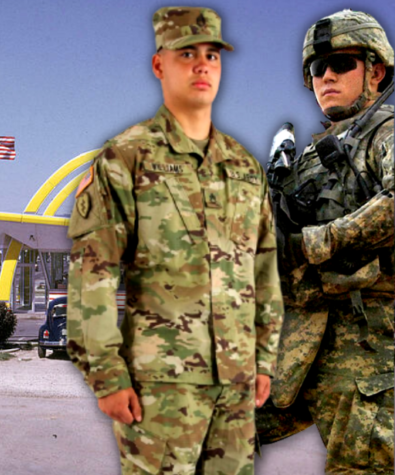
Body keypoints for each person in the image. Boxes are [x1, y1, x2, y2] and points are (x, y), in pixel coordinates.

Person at [66, 6, 283, 474]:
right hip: (160, 390)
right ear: (159, 65)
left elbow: (264, 271)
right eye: (187, 53)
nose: (203, 65)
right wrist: (105, 375)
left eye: (212, 55)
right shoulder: (127, 158)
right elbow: (94, 275)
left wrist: (264, 360)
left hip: (237, 387)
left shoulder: (245, 168)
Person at [257, 9, 394, 475]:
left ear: (375, 70)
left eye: (341, 64)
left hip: (368, 346)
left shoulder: (387, 133)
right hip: (297, 340)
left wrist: (314, 243)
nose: (327, 76)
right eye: (318, 69)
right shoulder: (308, 159)